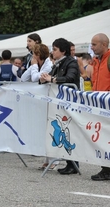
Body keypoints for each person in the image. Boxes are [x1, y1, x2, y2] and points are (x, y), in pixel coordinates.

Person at [39, 38, 80, 175]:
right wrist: (44, 78)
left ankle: (73, 164)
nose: (52, 51)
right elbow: (50, 77)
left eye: (55, 49)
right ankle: (70, 162)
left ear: (63, 51)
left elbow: (70, 78)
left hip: (69, 102)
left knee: (69, 132)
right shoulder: (58, 63)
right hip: (60, 103)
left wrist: (53, 79)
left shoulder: (71, 62)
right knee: (64, 131)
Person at [90, 33, 110, 181]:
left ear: (104, 45)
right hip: (99, 104)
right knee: (103, 137)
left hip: (107, 103)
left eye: (94, 44)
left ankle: (106, 170)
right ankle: (106, 168)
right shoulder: (96, 60)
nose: (92, 47)